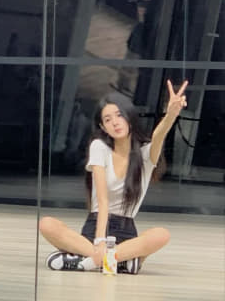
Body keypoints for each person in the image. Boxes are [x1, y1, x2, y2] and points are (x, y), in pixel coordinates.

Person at [39, 80, 188, 274]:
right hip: (95, 228)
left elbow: (158, 136)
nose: (115, 122)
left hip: (126, 232)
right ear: (103, 127)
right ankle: (119, 261)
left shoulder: (145, 154)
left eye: (119, 115)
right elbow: (103, 200)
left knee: (161, 235)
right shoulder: (99, 147)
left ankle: (87, 261)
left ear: (129, 117)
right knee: (47, 224)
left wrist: (170, 115)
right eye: (108, 120)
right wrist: (100, 241)